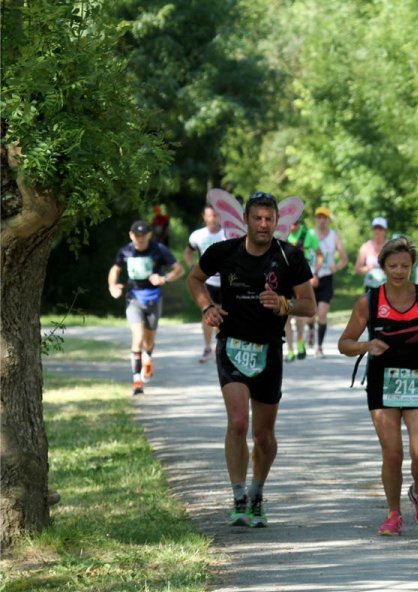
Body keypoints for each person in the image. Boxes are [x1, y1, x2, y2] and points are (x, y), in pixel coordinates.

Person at [187, 192, 316, 528]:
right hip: (231, 345)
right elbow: (194, 278)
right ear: (245, 219)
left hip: (269, 348)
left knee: (263, 436)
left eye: (268, 219)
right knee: (238, 423)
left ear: (277, 221)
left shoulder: (289, 256)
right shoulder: (224, 251)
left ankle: (258, 492)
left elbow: (309, 305)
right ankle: (238, 496)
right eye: (257, 218)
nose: (263, 224)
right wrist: (207, 306)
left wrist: (283, 303)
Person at [338, 236, 418, 536]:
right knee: (392, 453)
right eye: (393, 266)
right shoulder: (369, 301)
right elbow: (344, 344)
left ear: (412, 266)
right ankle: (393, 514)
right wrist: (366, 345)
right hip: (382, 383)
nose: (399, 271)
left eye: (405, 265)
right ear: (383, 266)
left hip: (417, 379)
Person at [107, 219, 184, 395]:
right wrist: (112, 286)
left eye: (143, 235)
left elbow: (179, 269)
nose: (140, 239)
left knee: (149, 340)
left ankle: (148, 357)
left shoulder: (158, 250)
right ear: (131, 235)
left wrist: (164, 278)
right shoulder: (125, 251)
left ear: (149, 235)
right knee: (138, 335)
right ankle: (137, 381)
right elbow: (115, 270)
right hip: (133, 297)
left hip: (153, 299)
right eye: (137, 235)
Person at [184, 205, 227, 363]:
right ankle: (208, 347)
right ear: (204, 217)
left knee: (223, 314)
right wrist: (193, 267)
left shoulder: (226, 234)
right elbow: (188, 252)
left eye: (215, 215)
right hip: (206, 281)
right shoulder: (198, 235)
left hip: (225, 281)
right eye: (209, 215)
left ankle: (221, 346)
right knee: (208, 312)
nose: (213, 218)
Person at [309, 206, 349, 357]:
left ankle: (319, 346)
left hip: (326, 278)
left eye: (324, 217)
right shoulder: (310, 235)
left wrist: (336, 266)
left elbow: (344, 259)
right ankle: (311, 329)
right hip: (311, 278)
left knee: (322, 313)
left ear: (328, 220)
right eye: (319, 217)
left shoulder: (334, 236)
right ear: (315, 219)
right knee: (310, 315)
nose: (321, 220)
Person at [284, 219, 322, 360]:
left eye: (295, 223)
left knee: (299, 314)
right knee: (286, 314)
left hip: (301, 278)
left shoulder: (308, 234)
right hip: (285, 279)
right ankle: (290, 349)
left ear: (299, 223)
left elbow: (319, 254)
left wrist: (314, 273)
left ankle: (300, 341)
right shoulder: (282, 233)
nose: (292, 226)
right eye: (290, 223)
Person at [355, 217, 389, 292]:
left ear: (385, 231)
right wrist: (368, 268)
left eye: (380, 228)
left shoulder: (391, 247)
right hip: (370, 287)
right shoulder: (365, 247)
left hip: (388, 287)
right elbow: (357, 269)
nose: (377, 231)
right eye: (375, 228)